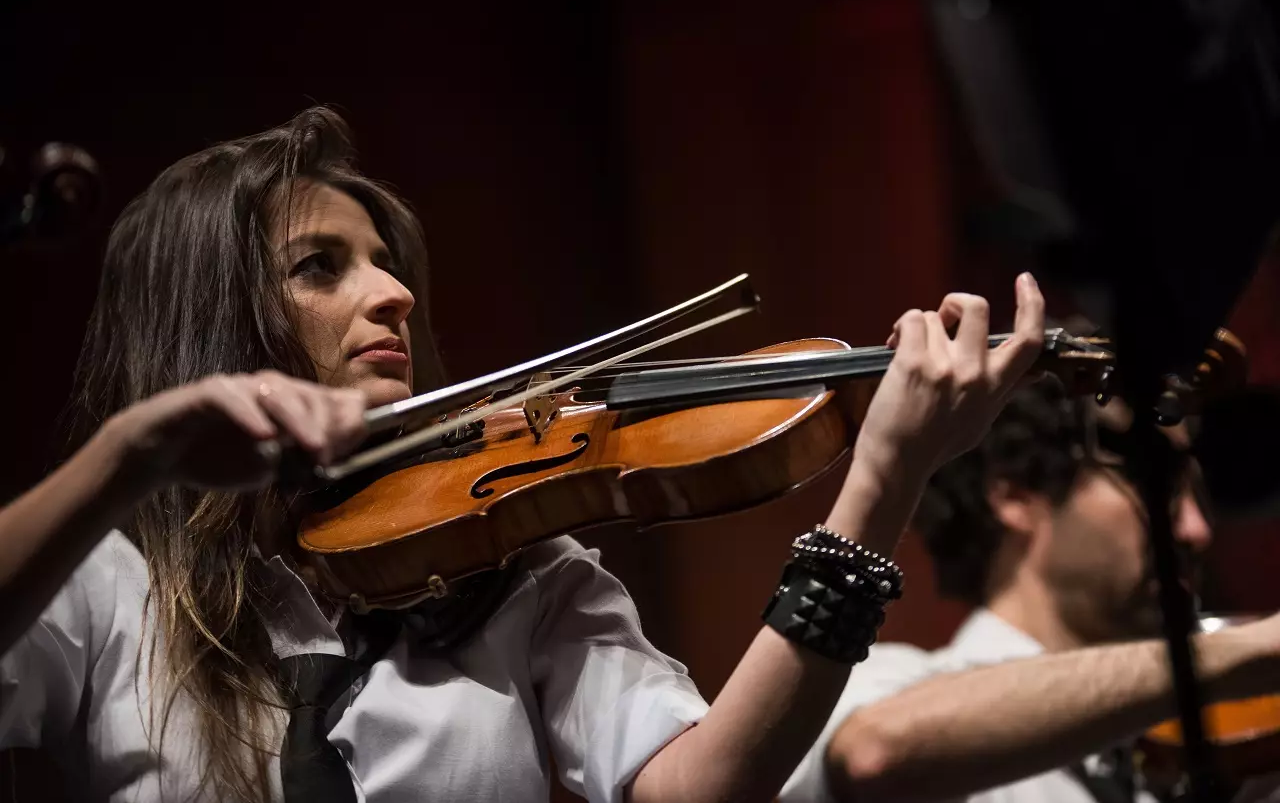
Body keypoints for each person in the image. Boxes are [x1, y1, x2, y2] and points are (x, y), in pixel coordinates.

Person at [0, 106, 1046, 803]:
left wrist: (880, 481)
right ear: (210, 322)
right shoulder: (107, 584)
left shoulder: (509, 573)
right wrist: (132, 454)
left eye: (386, 262)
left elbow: (706, 786)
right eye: (321, 266)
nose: (393, 294)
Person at [780, 372, 1280, 803]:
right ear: (1017, 490)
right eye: (1152, 479)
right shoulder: (885, 682)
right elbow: (873, 752)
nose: (1195, 530)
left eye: (1196, 493)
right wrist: (1229, 655)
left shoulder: (1161, 764)